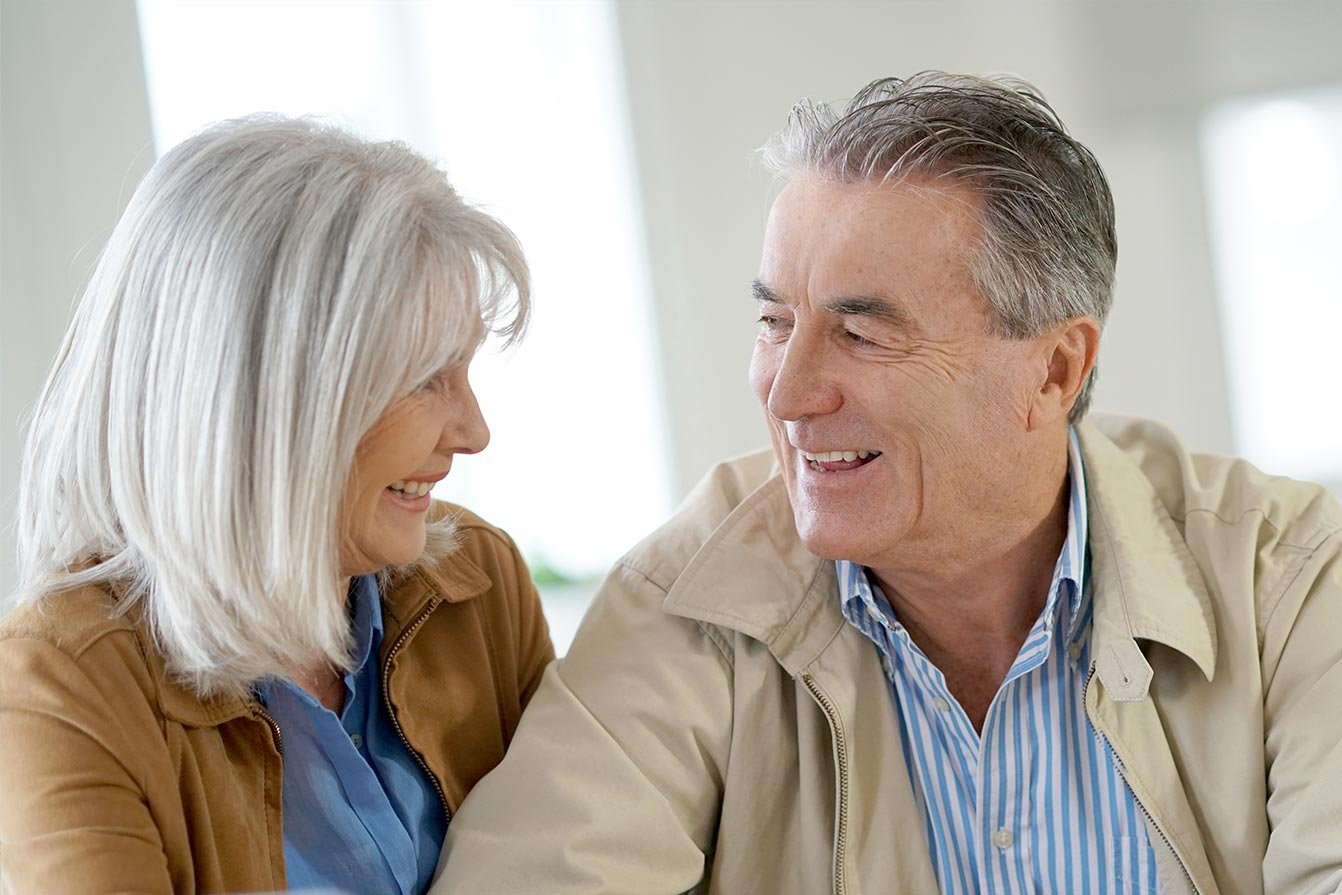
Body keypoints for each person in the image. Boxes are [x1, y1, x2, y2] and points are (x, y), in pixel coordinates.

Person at [433, 73, 1342, 895]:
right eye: (774, 321)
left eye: (861, 334)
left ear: (1056, 371)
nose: (788, 393)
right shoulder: (691, 598)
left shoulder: (1292, 579)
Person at [0, 116, 553, 894]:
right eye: (427, 375)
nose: (474, 431)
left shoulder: (478, 583)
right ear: (262, 398)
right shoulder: (63, 686)